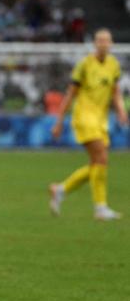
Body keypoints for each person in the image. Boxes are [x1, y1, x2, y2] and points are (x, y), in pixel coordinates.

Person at [50, 28, 128, 221]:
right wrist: (59, 121)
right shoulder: (84, 65)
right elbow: (70, 95)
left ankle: (61, 189)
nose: (103, 44)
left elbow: (116, 92)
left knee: (97, 163)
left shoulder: (113, 65)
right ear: (95, 43)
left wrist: (120, 110)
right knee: (101, 157)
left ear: (111, 44)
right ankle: (100, 208)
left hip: (101, 119)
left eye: (106, 40)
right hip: (84, 117)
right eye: (100, 40)